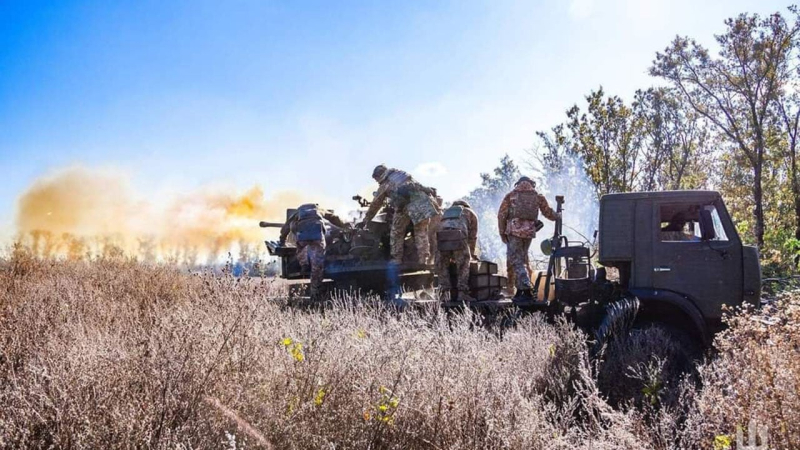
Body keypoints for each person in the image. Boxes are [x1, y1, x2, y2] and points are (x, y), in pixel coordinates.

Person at [359, 164, 440, 265]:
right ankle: (423, 260)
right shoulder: (402, 175)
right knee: (421, 231)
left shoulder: (385, 184)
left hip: (405, 206)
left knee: (396, 232)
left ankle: (396, 260)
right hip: (421, 203)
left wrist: (366, 220)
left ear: (379, 175)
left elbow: (376, 204)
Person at [497, 176, 559, 301]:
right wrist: (558, 216)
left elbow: (501, 215)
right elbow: (548, 213)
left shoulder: (511, 196)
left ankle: (525, 286)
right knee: (523, 260)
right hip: (529, 232)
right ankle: (521, 290)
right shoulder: (537, 196)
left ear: (517, 184)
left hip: (514, 231)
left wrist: (502, 233)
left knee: (516, 260)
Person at [279, 203, 327, 299]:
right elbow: (335, 218)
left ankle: (304, 264)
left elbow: (286, 228)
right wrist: (346, 227)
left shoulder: (299, 213)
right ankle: (315, 289)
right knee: (317, 265)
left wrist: (282, 240)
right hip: (318, 238)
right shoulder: (320, 210)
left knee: (300, 249)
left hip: (302, 237)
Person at [436, 200, 478, 302]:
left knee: (442, 266)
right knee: (463, 265)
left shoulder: (446, 212)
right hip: (459, 237)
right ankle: (462, 294)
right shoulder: (470, 212)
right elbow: (472, 237)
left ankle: (444, 295)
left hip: (442, 238)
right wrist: (471, 254)